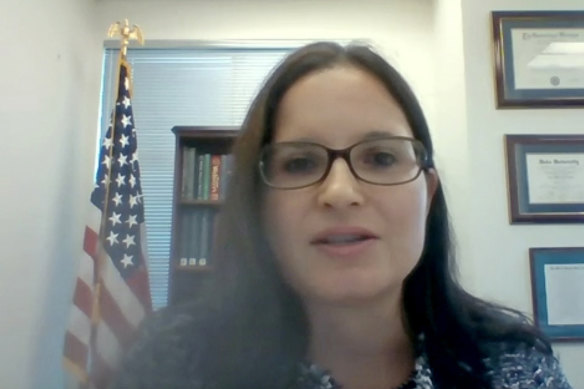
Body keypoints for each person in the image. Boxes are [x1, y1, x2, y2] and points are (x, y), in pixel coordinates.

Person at [112, 42, 572, 389]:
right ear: (259, 206)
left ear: (427, 195)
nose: (340, 192)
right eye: (300, 163)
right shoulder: (170, 367)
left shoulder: (516, 369)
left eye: (382, 158)